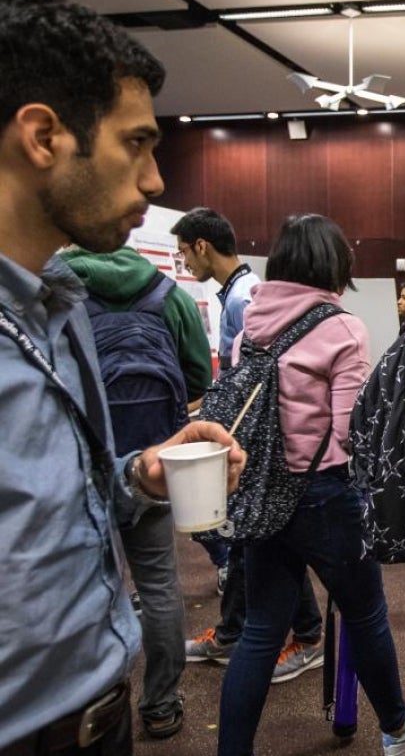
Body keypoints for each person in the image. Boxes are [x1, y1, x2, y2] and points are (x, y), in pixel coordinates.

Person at [0, 0, 244, 755]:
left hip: (100, 718)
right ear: (44, 136)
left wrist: (138, 473)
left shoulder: (60, 306)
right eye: (134, 144)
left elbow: (44, 514)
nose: (155, 181)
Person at [217, 213, 405, 756]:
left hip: (263, 492)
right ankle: (398, 729)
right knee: (365, 613)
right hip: (325, 494)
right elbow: (348, 434)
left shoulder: (250, 328)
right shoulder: (340, 328)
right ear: (335, 266)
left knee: (262, 630)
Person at [61, 245, 214, 739]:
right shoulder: (170, 295)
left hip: (80, 462)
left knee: (86, 587)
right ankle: (161, 704)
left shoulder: (59, 292)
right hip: (155, 460)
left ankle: (89, 708)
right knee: (159, 586)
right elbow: (198, 376)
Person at [173, 207, 324, 683]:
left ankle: (252, 631)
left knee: (251, 538)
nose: (184, 265)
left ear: (202, 246)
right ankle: (270, 629)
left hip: (254, 447)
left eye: (184, 253)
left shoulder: (244, 299)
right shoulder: (237, 292)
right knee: (259, 541)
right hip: (250, 444)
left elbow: (254, 382)